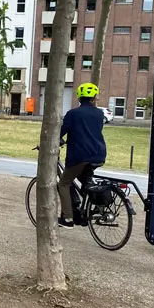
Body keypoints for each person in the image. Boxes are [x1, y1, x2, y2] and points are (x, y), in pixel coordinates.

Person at [58, 83, 107, 228]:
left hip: (80, 155)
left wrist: (47, 143)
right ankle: (95, 207)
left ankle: (67, 219)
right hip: (98, 154)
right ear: (94, 98)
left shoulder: (73, 114)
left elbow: (60, 132)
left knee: (64, 183)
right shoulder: (99, 113)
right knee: (85, 180)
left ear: (79, 97)